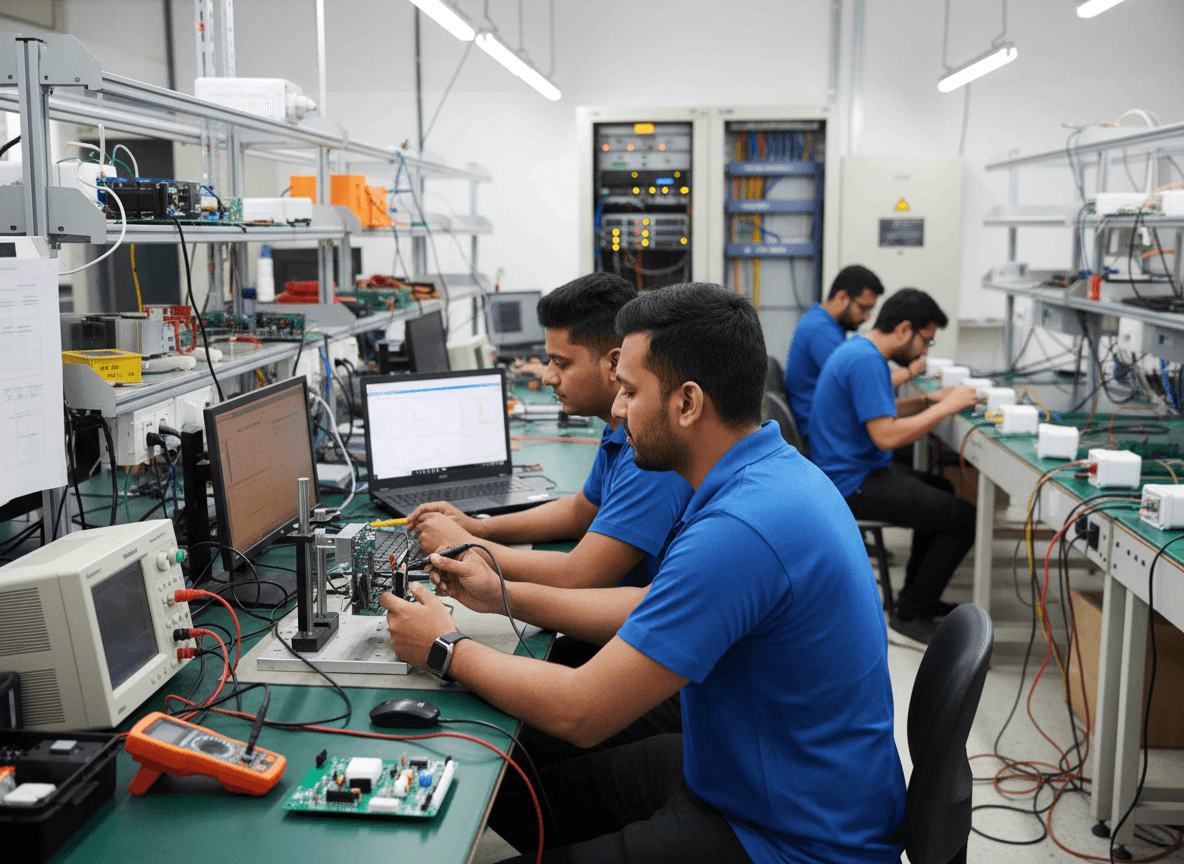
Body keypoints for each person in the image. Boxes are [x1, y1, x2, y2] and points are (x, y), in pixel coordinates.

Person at [380, 283, 907, 864]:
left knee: (531, 759)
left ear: (687, 403)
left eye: (630, 391)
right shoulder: (765, 474)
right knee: (514, 779)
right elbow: (658, 606)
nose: (618, 408)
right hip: (753, 774)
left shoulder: (741, 527)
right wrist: (500, 593)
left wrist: (444, 649)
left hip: (790, 839)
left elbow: (583, 711)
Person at [407, 272, 692, 594]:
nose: (547, 377)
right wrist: (480, 528)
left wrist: (463, 543)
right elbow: (582, 510)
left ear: (615, 363)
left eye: (561, 363)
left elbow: (580, 576)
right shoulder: (618, 429)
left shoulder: (652, 451)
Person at [809, 288, 979, 645]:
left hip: (849, 471)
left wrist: (926, 401)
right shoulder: (866, 360)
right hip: (850, 483)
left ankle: (920, 597)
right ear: (904, 329)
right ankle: (911, 613)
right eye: (925, 341)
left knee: (943, 490)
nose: (924, 351)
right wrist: (945, 409)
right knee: (963, 518)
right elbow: (886, 436)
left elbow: (877, 412)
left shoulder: (860, 351)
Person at [783, 265, 924, 447]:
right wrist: (909, 371)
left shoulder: (823, 322)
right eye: (864, 308)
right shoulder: (821, 331)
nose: (867, 317)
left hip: (827, 425)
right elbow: (860, 386)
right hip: (825, 435)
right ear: (842, 297)